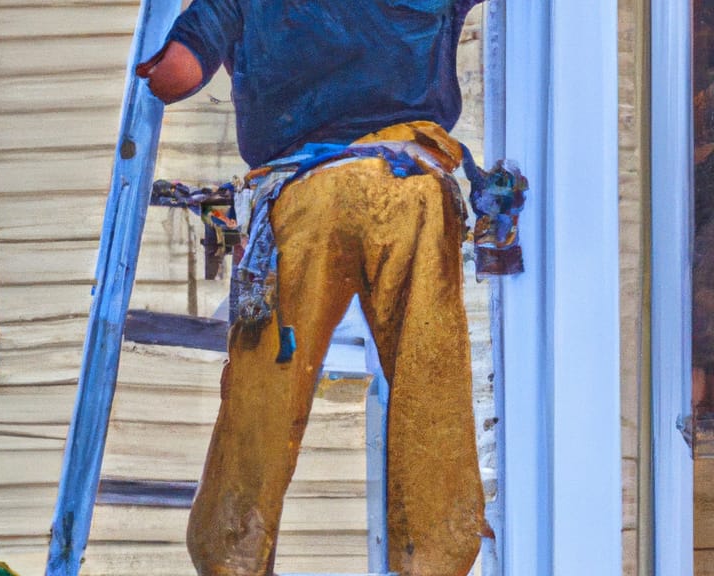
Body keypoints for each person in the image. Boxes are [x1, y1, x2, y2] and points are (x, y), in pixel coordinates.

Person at [136, 2, 494, 574]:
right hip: (411, 190)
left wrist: (160, 63)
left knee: (266, 390)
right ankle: (434, 557)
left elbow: (175, 75)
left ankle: (232, 556)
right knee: (428, 378)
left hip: (303, 198)